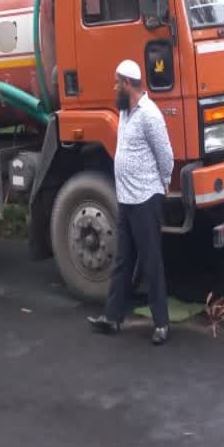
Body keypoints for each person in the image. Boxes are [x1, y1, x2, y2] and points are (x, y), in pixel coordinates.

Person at [87, 60, 175, 346]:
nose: (114, 88)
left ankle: (161, 323)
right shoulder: (125, 112)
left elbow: (166, 156)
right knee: (123, 260)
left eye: (116, 83)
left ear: (127, 84)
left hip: (146, 198)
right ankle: (112, 318)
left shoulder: (150, 115)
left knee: (151, 262)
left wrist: (161, 185)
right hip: (126, 198)